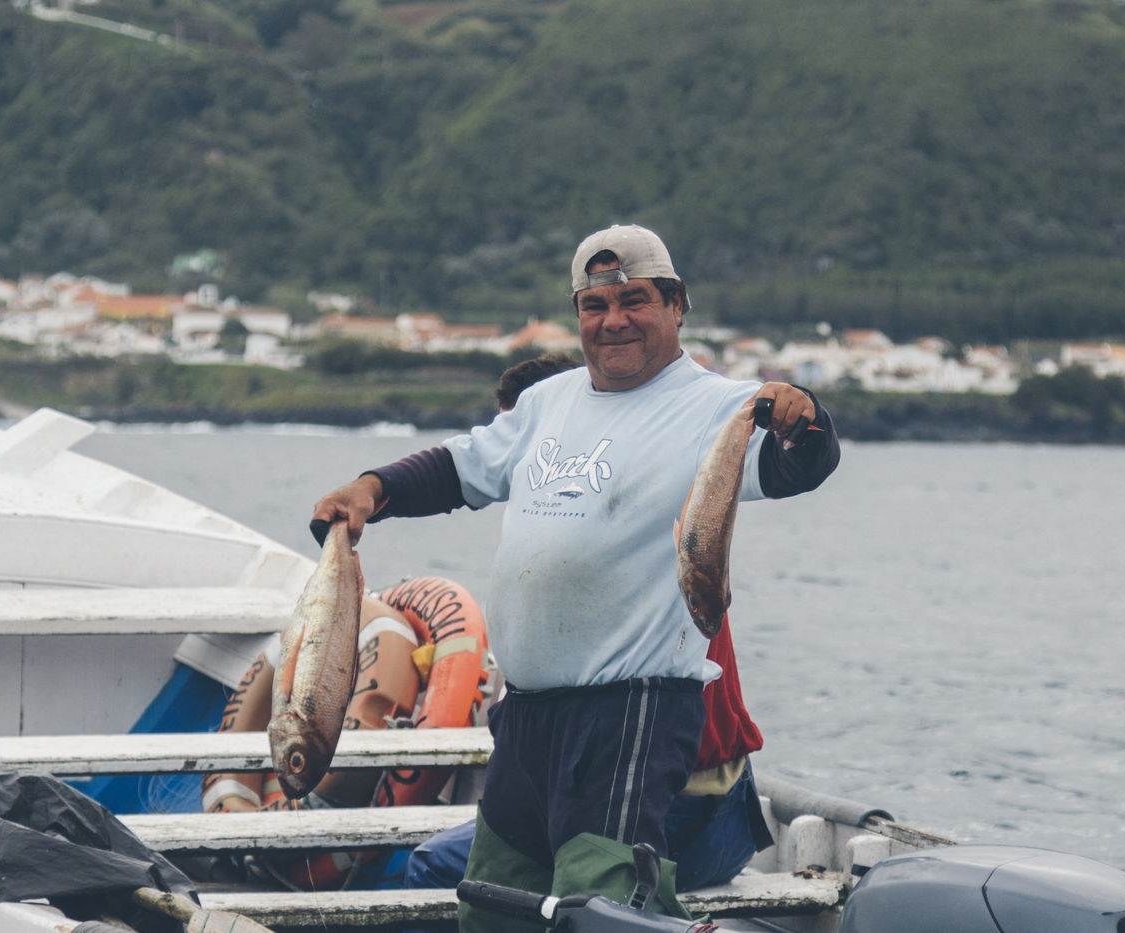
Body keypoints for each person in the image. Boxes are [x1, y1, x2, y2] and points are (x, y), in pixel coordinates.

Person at [311, 223, 840, 929]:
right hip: (527, 716)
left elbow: (799, 467)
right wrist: (372, 488)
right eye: (595, 305)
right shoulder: (547, 401)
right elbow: (461, 468)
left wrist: (805, 420)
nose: (613, 319)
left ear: (677, 304)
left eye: (634, 300)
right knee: (493, 901)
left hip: (631, 711)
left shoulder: (718, 407)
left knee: (601, 905)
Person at [404, 352, 775, 895]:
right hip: (715, 806)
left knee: (441, 868)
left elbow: (636, 759)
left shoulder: (637, 581)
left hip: (694, 812)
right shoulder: (606, 552)